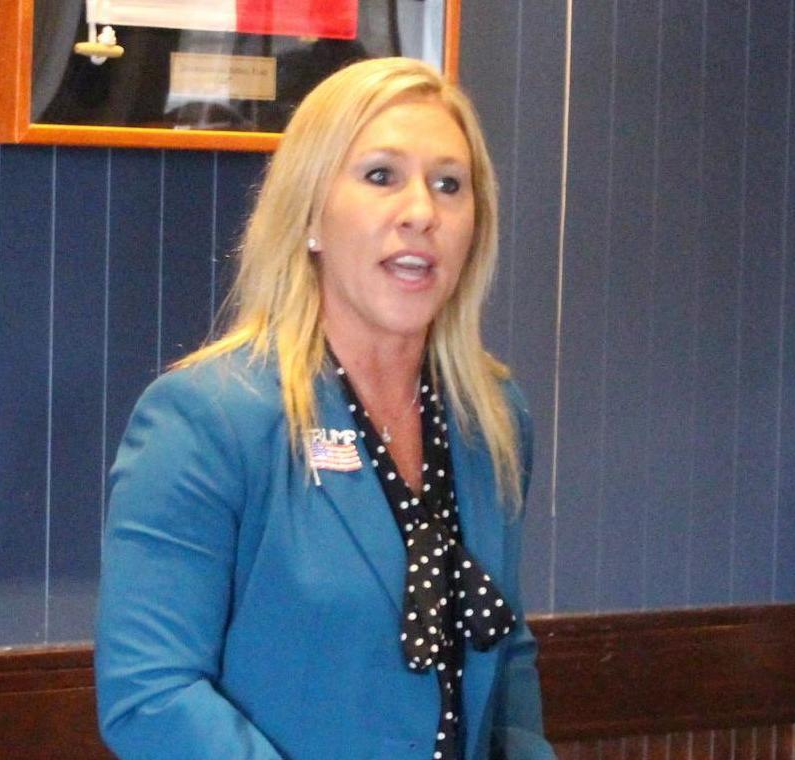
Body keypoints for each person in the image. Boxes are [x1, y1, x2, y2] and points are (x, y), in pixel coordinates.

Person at [95, 57, 555, 760]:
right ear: (309, 214)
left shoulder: (490, 417)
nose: (421, 212)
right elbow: (151, 695)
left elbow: (506, 651)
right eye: (381, 176)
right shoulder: (206, 420)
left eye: (448, 185)